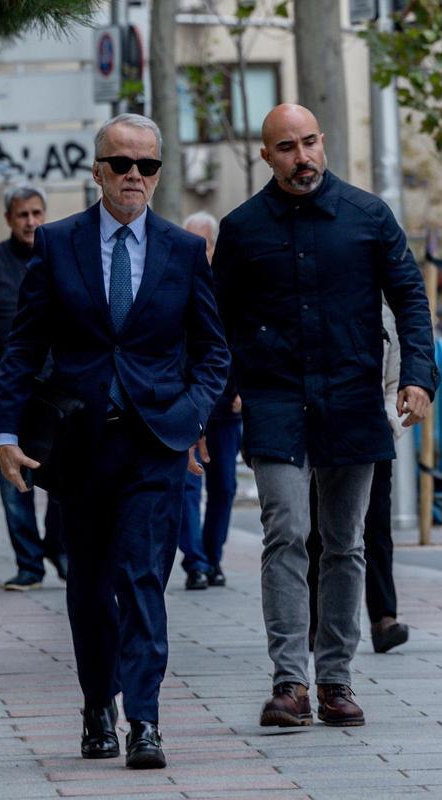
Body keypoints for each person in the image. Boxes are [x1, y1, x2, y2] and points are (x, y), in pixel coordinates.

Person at [0, 114, 229, 769]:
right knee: (91, 585)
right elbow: (22, 347)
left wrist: (191, 417)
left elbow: (213, 352)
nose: (133, 176)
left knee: (145, 577)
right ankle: (98, 703)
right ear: (97, 171)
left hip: (154, 443)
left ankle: (144, 720)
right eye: (121, 164)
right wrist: (5, 432)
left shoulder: (183, 250)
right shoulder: (57, 243)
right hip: (80, 447)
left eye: (146, 166)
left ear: (158, 174)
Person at [214, 104, 438, 729]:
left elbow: (410, 298)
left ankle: (336, 680)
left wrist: (418, 376)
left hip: (351, 399)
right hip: (275, 402)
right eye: (287, 148)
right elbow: (216, 323)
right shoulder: (242, 229)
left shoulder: (369, 216)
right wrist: (213, 403)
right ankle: (290, 683)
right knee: (286, 531)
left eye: (309, 142)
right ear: (266, 156)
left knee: (344, 542)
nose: (302, 157)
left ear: (324, 142)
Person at [0, 184, 67, 590]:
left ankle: (59, 548)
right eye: (23, 215)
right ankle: (29, 565)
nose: (31, 222)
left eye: (37, 213)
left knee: (63, 474)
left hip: (60, 389)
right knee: (12, 476)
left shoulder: (61, 256)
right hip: (8, 390)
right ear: (9, 218)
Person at [306, 301, 407, 654]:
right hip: (320, 427)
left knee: (376, 527)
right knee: (318, 529)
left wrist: (388, 419)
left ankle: (384, 617)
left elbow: (395, 378)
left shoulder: (384, 311)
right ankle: (315, 622)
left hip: (372, 431)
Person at [177, 211, 242, 591]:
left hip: (226, 405)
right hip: (188, 404)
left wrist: (242, 390)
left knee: (224, 486)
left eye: (202, 245)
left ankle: (213, 557)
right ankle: (196, 563)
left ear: (215, 247)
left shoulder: (231, 287)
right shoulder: (175, 284)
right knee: (188, 485)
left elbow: (243, 342)